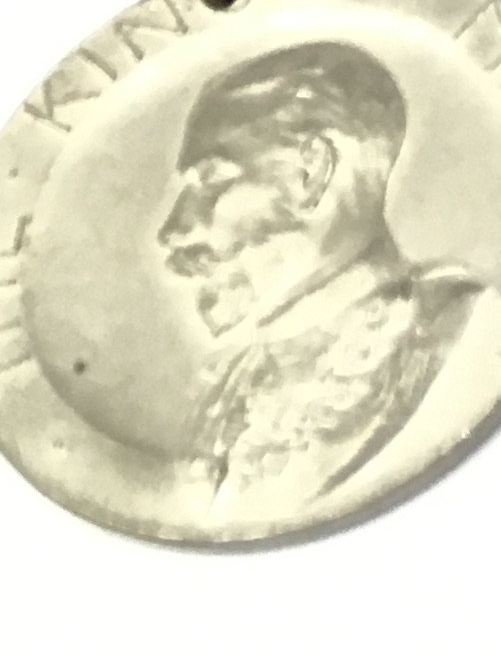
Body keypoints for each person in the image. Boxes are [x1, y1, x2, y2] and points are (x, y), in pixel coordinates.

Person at [152, 41, 480, 511]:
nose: (172, 231)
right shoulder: (229, 390)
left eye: (211, 181)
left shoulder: (462, 328)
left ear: (311, 172)